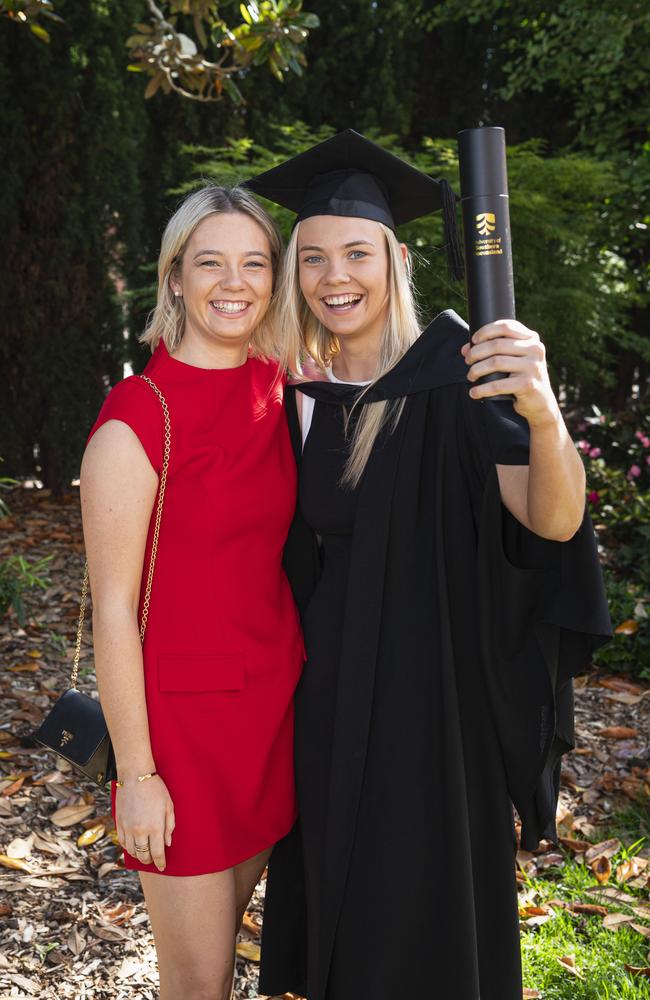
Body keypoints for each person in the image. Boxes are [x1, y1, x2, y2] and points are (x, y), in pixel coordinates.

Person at [246, 131, 612, 1000]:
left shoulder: (465, 371)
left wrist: (545, 412)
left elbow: (551, 520)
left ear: (396, 258)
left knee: (428, 919)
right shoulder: (293, 395)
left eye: (357, 253)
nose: (336, 276)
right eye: (314, 258)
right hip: (327, 702)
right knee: (344, 925)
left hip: (437, 705)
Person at [79, 186, 304, 1000]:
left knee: (232, 963)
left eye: (254, 263)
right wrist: (136, 774)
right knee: (199, 984)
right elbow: (113, 608)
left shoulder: (283, 394)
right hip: (183, 741)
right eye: (210, 261)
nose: (233, 281)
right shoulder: (138, 416)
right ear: (175, 278)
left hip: (275, 718)